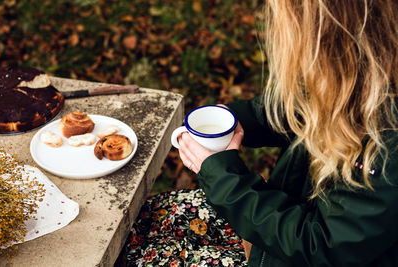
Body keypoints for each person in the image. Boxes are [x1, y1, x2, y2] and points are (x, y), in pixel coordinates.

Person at [123, 0, 398, 266]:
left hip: (294, 247)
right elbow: (296, 110)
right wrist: (234, 120)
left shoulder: (389, 142)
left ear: (327, 39)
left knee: (138, 256)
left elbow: (321, 246)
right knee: (144, 222)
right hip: (283, 224)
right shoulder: (354, 80)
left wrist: (225, 180)